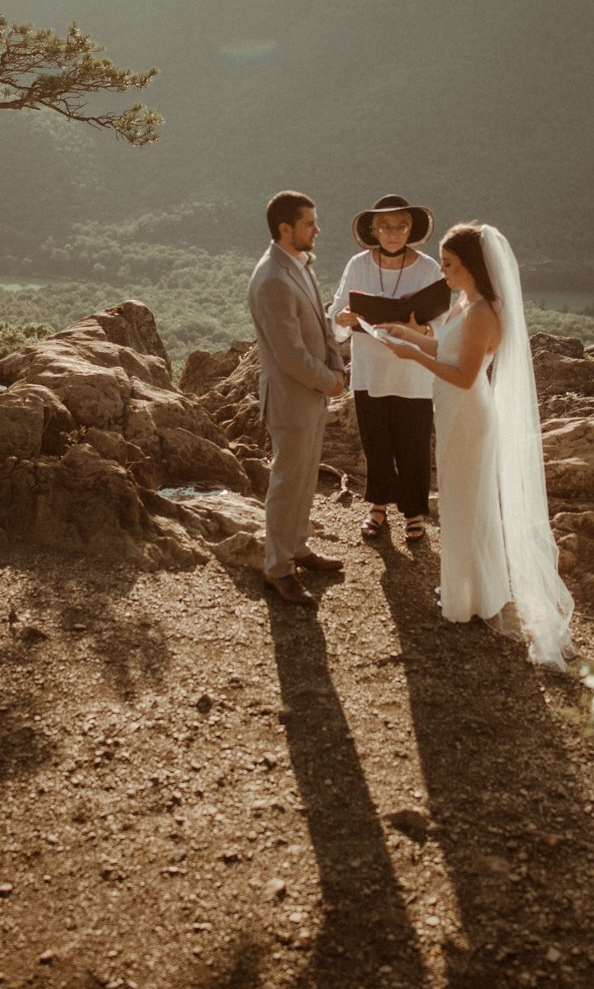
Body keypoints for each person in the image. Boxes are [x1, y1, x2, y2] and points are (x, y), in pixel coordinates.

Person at [379, 223, 574, 669]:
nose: (442, 272)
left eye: (449, 265)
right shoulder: (466, 303)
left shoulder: (484, 311)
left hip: (468, 414)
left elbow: (465, 376)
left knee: (465, 503)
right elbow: (448, 350)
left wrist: (415, 358)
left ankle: (466, 599)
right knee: (464, 500)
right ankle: (476, 591)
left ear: (472, 267)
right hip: (453, 411)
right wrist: (410, 335)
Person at [246, 191, 347, 606]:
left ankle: (298, 547)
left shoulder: (298, 266)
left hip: (313, 394)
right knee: (287, 483)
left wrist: (337, 365)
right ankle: (278, 569)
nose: (317, 230)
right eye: (309, 223)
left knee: (306, 478)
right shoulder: (271, 278)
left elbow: (322, 326)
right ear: (285, 229)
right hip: (291, 398)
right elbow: (289, 355)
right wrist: (330, 382)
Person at [330, 194, 441, 544]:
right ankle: (378, 506)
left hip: (414, 370)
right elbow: (335, 314)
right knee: (375, 441)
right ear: (373, 230)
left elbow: (442, 320)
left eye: (401, 226)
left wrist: (422, 329)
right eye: (386, 226)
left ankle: (414, 512)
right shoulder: (358, 264)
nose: (393, 233)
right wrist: (344, 319)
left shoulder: (428, 268)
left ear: (411, 229)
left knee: (414, 444)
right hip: (370, 368)